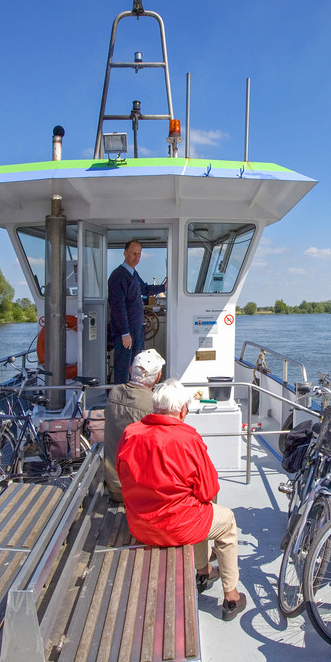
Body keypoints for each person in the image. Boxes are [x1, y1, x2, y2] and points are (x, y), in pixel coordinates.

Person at [117, 379, 245, 621]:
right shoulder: (188, 438)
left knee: (198, 509)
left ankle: (204, 570)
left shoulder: (130, 433)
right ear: (183, 410)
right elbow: (208, 490)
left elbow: (121, 474)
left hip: (140, 525)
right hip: (175, 527)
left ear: (155, 407)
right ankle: (231, 596)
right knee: (224, 521)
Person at [102, 348, 165, 501]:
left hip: (113, 485)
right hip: (138, 491)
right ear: (158, 377)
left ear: (130, 370)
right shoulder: (153, 405)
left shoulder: (115, 392)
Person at [108, 239, 165, 384]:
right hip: (126, 331)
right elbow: (117, 306)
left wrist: (163, 287)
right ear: (125, 253)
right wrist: (125, 333)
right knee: (123, 366)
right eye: (134, 253)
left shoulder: (133, 274)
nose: (137, 257)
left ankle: (134, 397)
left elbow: (144, 288)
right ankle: (121, 399)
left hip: (137, 328)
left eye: (139, 254)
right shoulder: (118, 276)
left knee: (137, 367)